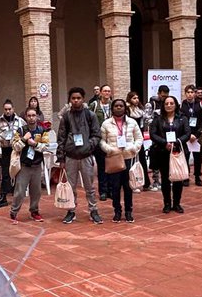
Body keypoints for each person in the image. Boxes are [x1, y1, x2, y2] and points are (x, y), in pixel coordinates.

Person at [56, 86, 103, 224]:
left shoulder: (90, 115)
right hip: (70, 157)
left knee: (90, 187)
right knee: (71, 187)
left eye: (78, 98)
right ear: (70, 100)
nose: (76, 100)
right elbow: (61, 138)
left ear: (83, 99)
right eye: (73, 98)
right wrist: (61, 158)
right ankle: (71, 211)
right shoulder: (66, 116)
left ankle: (93, 210)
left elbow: (97, 134)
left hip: (86, 156)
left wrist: (89, 145)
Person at [100, 98, 141, 222]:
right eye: (116, 106)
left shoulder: (132, 122)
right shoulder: (106, 123)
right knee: (115, 187)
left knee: (128, 187)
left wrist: (133, 148)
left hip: (128, 158)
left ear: (125, 108)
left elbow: (139, 138)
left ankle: (129, 211)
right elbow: (101, 141)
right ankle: (117, 211)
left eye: (121, 106)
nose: (118, 108)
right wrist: (110, 149)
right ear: (112, 108)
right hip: (114, 159)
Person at [149, 94, 188, 214]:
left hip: (178, 151)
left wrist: (176, 142)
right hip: (163, 152)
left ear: (176, 105)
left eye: (171, 103)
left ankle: (177, 203)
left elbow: (187, 133)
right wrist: (164, 143)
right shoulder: (158, 118)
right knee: (166, 179)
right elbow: (153, 134)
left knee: (178, 178)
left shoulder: (182, 118)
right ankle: (167, 203)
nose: (169, 105)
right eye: (166, 103)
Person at [9, 106, 48, 222]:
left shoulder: (42, 130)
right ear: (26, 117)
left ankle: (34, 211)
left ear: (37, 117)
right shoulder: (20, 131)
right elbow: (15, 146)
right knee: (20, 191)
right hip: (24, 166)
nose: (31, 118)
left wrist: (34, 144)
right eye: (29, 116)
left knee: (36, 192)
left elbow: (45, 147)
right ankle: (14, 211)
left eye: (33, 115)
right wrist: (24, 140)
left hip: (37, 166)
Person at [0, 99, 20, 209]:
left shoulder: (19, 121)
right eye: (6, 109)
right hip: (6, 150)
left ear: (13, 109)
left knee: (18, 172)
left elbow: (25, 132)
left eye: (9, 109)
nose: (8, 111)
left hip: (17, 150)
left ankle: (18, 197)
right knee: (6, 173)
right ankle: (3, 197)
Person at [89, 85, 114, 200]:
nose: (107, 93)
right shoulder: (94, 105)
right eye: (105, 91)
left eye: (108, 91)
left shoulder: (113, 104)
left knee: (112, 166)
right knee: (102, 166)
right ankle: (103, 191)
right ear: (100, 93)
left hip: (112, 140)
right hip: (99, 140)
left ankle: (111, 190)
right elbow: (88, 119)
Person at [180, 85, 202, 187]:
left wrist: (197, 134)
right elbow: (181, 120)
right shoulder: (182, 105)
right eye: (188, 92)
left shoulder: (200, 105)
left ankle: (197, 177)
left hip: (197, 136)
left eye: (192, 92)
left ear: (195, 94)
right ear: (185, 93)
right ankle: (186, 177)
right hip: (186, 135)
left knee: (198, 158)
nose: (190, 94)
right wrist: (188, 134)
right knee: (185, 157)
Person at [127, 91, 152, 192]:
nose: (136, 100)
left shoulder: (141, 109)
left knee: (142, 160)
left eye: (137, 98)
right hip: (130, 138)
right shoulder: (127, 110)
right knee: (131, 161)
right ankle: (132, 183)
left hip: (139, 136)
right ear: (129, 99)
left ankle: (146, 183)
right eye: (134, 98)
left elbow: (144, 123)